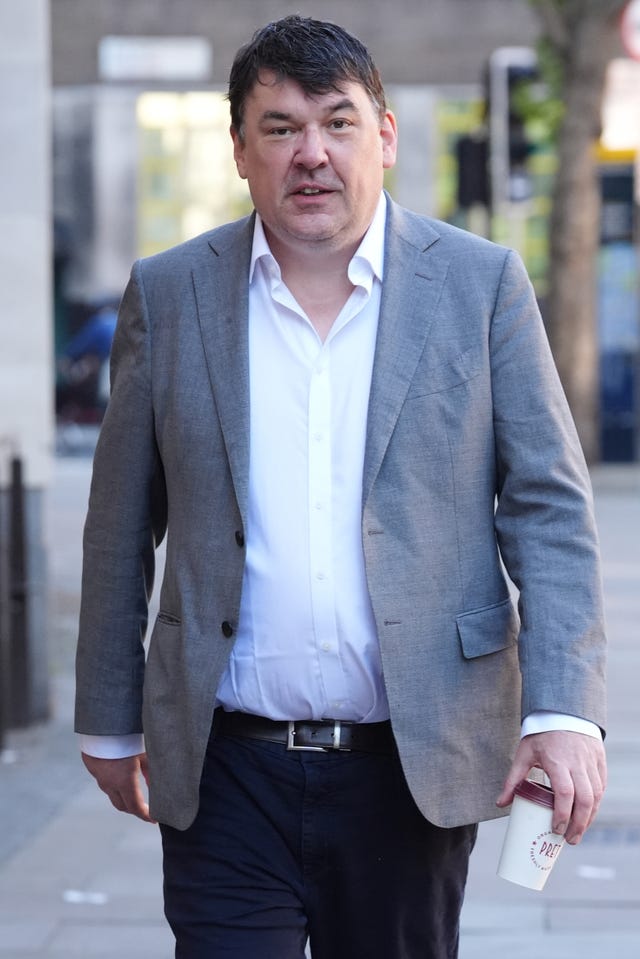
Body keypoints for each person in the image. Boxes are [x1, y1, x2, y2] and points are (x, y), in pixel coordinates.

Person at [75, 15, 607, 959]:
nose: (311, 154)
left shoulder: (481, 286)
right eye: (279, 128)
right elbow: (121, 524)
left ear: (386, 136)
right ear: (240, 149)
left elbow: (548, 505)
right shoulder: (169, 294)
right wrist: (109, 715)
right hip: (224, 764)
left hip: (412, 764)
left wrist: (562, 710)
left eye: (338, 122)